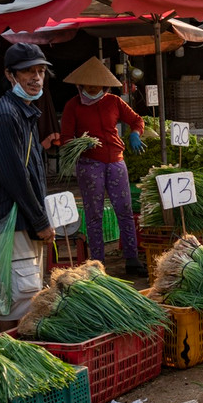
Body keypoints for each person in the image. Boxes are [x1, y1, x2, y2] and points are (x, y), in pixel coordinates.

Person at [0, 44, 55, 324]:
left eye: (41, 71)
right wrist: (40, 219)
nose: (36, 78)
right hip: (13, 219)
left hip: (24, 219)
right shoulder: (5, 115)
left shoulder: (25, 112)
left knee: (28, 288)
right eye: (28, 72)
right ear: (10, 76)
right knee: (18, 294)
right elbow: (14, 176)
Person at [58, 57, 146, 277]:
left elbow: (137, 120)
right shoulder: (73, 106)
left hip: (116, 161)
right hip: (89, 164)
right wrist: (80, 144)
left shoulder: (114, 102)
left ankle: (132, 259)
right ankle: (98, 264)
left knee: (125, 211)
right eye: (88, 84)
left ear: (104, 84)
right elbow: (66, 138)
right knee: (94, 214)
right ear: (80, 84)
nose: (93, 87)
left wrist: (135, 134)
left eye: (97, 84)